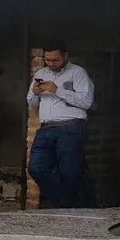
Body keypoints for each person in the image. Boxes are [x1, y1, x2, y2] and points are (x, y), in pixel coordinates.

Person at [26, 39, 95, 208]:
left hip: (71, 127)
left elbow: (87, 102)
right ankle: (67, 204)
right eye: (48, 60)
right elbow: (32, 105)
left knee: (69, 173)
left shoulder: (78, 73)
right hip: (45, 128)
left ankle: (70, 207)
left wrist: (57, 90)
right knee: (36, 168)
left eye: (55, 60)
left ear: (65, 56)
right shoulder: (41, 73)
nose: (51, 63)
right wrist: (35, 93)